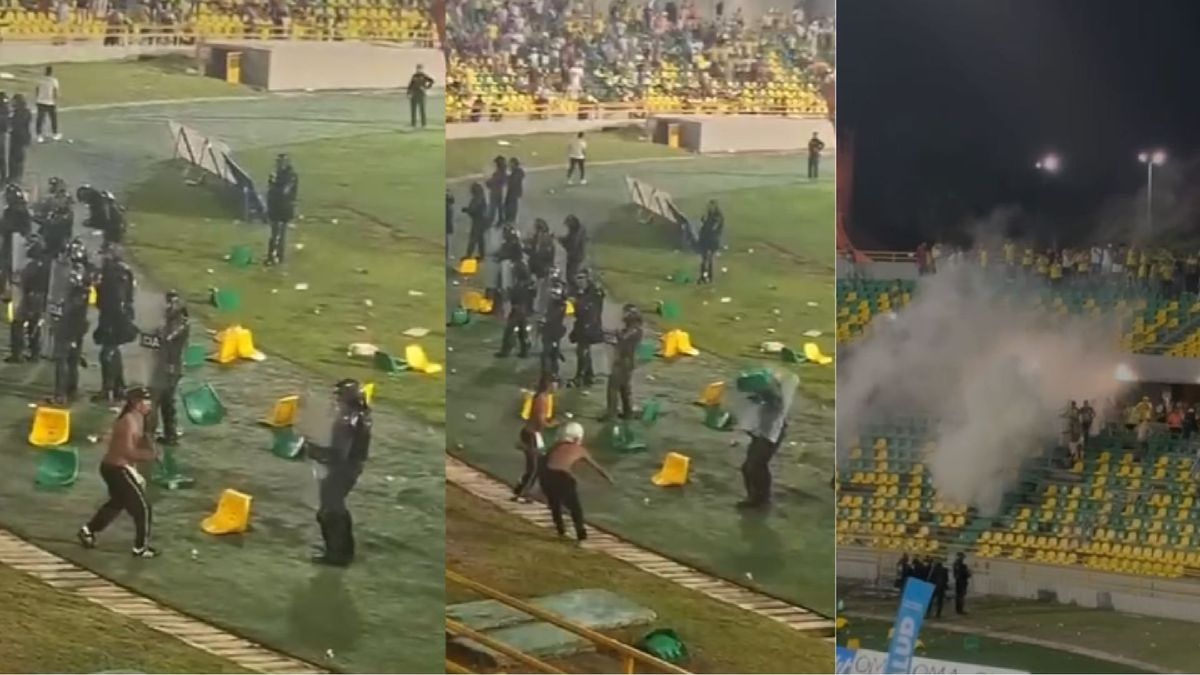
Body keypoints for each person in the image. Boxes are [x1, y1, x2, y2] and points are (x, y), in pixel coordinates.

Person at [78, 387, 159, 558]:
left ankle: (88, 530)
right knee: (143, 508)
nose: (149, 405)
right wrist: (149, 455)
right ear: (137, 403)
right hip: (116, 469)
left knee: (116, 504)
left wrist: (136, 471)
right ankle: (140, 548)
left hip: (119, 468)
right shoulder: (128, 422)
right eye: (146, 401)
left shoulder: (139, 418)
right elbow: (126, 452)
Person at [306, 379, 372, 566]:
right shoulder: (361, 414)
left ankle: (337, 554)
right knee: (333, 508)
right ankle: (341, 551)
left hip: (344, 468)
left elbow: (339, 453)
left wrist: (313, 451)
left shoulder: (347, 420)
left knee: (330, 510)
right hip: (351, 466)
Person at [539, 422, 613, 542]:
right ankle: (581, 534)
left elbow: (544, 460)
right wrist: (609, 478)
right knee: (575, 508)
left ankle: (561, 531)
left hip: (547, 475)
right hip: (562, 477)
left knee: (555, 506)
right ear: (578, 437)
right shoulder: (580, 449)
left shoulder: (555, 446)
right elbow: (596, 467)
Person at [737, 370, 796, 509]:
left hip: (772, 433)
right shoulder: (765, 395)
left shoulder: (776, 396)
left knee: (756, 465)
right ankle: (755, 497)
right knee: (748, 467)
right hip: (762, 430)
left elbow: (776, 402)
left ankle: (761, 500)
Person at [92, 244, 137, 404]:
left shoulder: (112, 272)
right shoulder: (124, 270)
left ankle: (108, 389)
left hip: (113, 317)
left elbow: (116, 298)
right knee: (114, 350)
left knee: (107, 353)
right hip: (120, 316)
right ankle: (119, 387)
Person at [146, 291, 189, 445]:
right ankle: (168, 434)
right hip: (169, 367)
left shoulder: (177, 323)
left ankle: (152, 435)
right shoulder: (176, 321)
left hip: (166, 367)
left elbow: (164, 339)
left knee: (157, 401)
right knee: (165, 402)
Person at [49, 245, 91, 405]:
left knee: (63, 359)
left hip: (69, 325)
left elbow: (70, 307)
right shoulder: (84, 280)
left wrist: (59, 314)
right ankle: (71, 391)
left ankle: (61, 394)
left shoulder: (77, 284)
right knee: (72, 359)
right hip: (77, 325)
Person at [514, 374, 555, 502]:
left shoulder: (539, 397)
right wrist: (552, 425)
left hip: (531, 434)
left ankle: (520, 490)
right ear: (549, 385)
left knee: (534, 466)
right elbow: (540, 420)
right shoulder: (543, 399)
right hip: (532, 435)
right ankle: (523, 493)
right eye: (555, 383)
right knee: (534, 468)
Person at [7, 234, 48, 363]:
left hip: (29, 297)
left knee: (18, 324)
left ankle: (17, 353)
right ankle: (34, 353)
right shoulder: (45, 263)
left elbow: (23, 279)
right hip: (40, 298)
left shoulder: (32, 266)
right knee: (34, 326)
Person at [605, 304, 644, 420]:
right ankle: (628, 412)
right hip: (628, 362)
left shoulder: (633, 330)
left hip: (623, 362)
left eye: (625, 313)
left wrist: (613, 337)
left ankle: (611, 414)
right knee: (624, 388)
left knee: (613, 388)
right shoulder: (634, 328)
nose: (623, 315)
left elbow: (622, 338)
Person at [569, 270, 604, 388]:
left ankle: (579, 377)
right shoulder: (581, 291)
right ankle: (589, 376)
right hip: (581, 325)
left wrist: (576, 303)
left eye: (581, 278)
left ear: (587, 278)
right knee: (584, 351)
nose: (579, 281)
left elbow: (589, 309)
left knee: (582, 351)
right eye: (577, 278)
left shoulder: (594, 293)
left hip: (589, 327)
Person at [0, 184, 33, 302]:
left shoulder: (20, 211)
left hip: (16, 245)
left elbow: (24, 229)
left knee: (11, 268)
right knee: (5, 266)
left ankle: (11, 292)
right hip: (9, 243)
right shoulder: (10, 210)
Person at [265, 154, 299, 266]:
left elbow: (284, 192)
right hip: (275, 208)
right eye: (277, 162)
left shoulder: (291, 176)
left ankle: (277, 257)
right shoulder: (279, 175)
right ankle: (273, 256)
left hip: (284, 208)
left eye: (279, 163)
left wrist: (273, 183)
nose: (277, 165)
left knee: (279, 234)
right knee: (275, 234)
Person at [497, 259, 535, 358]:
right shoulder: (529, 284)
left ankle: (505, 351)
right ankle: (524, 351)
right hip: (524, 310)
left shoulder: (520, 285)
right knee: (522, 332)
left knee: (509, 332)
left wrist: (507, 293)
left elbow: (515, 296)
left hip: (517, 310)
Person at [539, 274, 568, 384]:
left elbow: (553, 317)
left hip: (553, 333)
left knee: (550, 355)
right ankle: (548, 375)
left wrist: (544, 320)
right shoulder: (552, 302)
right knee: (548, 355)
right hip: (549, 332)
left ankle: (552, 376)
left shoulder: (560, 305)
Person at [697, 200, 724, 284]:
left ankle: (709, 277)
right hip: (705, 239)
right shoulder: (709, 216)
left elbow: (714, 228)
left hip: (712, 240)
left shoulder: (718, 217)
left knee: (709, 258)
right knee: (704, 258)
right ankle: (703, 276)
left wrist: (706, 223)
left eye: (711, 206)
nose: (709, 208)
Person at [559, 215, 587, 291]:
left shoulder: (578, 232)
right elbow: (568, 239)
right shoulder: (575, 231)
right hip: (573, 257)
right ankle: (572, 291)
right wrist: (560, 239)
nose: (568, 227)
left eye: (568, 225)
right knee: (569, 277)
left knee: (572, 277)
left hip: (576, 258)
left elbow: (572, 244)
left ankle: (575, 291)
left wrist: (562, 241)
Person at [8, 94, 31, 183]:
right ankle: (17, 177)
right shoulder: (26, 112)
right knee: (18, 158)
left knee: (15, 158)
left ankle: (14, 177)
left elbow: (16, 124)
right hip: (23, 137)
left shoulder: (18, 113)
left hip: (18, 138)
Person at [35, 65, 61, 143]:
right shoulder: (54, 81)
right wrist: (56, 100)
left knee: (40, 119)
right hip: (50, 102)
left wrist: (38, 97)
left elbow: (37, 89)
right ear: (52, 72)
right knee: (53, 118)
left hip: (40, 101)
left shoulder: (40, 79)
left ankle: (39, 135)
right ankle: (55, 134)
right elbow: (55, 92)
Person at [406, 64, 435, 128]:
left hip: (421, 94)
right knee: (413, 110)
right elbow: (410, 85)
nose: (418, 69)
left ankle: (423, 124)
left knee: (422, 110)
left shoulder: (424, 76)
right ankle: (413, 124)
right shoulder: (414, 76)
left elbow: (432, 81)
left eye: (420, 68)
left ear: (422, 69)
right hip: (414, 94)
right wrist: (408, 93)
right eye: (417, 68)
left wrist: (426, 88)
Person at [486, 156, 507, 228]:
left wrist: (489, 182)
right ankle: (500, 220)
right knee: (499, 207)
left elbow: (493, 181)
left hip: (495, 192)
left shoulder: (499, 173)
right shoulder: (502, 172)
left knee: (493, 208)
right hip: (499, 192)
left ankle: (489, 222)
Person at [504, 157, 525, 225]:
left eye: (510, 164)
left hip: (514, 193)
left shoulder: (517, 172)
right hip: (513, 192)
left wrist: (507, 178)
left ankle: (510, 220)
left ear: (514, 164)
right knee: (509, 205)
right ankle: (509, 219)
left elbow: (512, 182)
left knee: (511, 207)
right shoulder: (516, 172)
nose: (509, 165)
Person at [0, 92, 9, 183]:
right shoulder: (5, 109)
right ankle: (3, 176)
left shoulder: (5, 109)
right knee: (2, 157)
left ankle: (3, 176)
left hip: (2, 133)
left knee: (2, 157)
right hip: (2, 134)